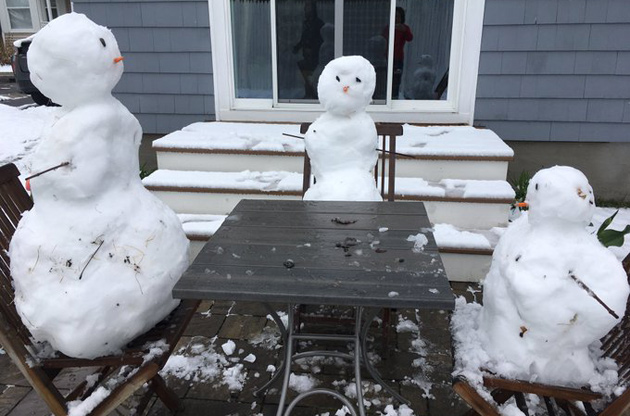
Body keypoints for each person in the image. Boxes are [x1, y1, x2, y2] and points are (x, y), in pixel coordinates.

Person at [293, 1, 324, 99]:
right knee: (306, 75)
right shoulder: (306, 23)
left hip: (315, 56)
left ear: (313, 9)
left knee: (313, 76)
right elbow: (303, 38)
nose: (305, 10)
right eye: (305, 7)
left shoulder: (319, 24)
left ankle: (315, 95)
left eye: (307, 7)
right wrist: (297, 47)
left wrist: (312, 49)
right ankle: (308, 94)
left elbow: (321, 40)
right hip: (306, 55)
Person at [382, 7, 413, 99]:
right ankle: (385, 98)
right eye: (394, 16)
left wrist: (404, 30)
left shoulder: (404, 28)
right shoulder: (388, 27)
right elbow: (382, 38)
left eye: (398, 16)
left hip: (398, 59)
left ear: (401, 17)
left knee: (396, 79)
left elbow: (410, 38)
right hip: (386, 58)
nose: (396, 18)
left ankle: (394, 98)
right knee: (386, 79)